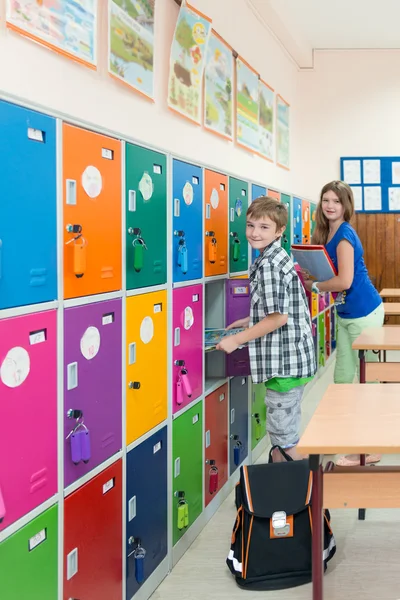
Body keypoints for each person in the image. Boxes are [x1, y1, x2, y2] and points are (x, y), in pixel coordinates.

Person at [216, 197, 316, 462]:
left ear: (279, 230)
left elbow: (278, 318)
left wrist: (237, 340)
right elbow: (279, 309)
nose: (254, 233)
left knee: (285, 441)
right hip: (292, 360)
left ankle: (309, 495)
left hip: (283, 365)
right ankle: (292, 493)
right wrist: (250, 320)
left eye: (264, 227)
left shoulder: (269, 265)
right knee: (285, 436)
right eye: (250, 225)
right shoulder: (275, 257)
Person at [302, 180, 384, 466]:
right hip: (347, 313)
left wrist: (315, 286)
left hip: (364, 313)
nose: (330, 205)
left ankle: (370, 448)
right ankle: (344, 438)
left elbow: (345, 281)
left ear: (346, 204)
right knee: (342, 381)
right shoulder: (328, 232)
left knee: (364, 384)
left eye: (336, 201)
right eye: (325, 200)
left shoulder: (345, 234)